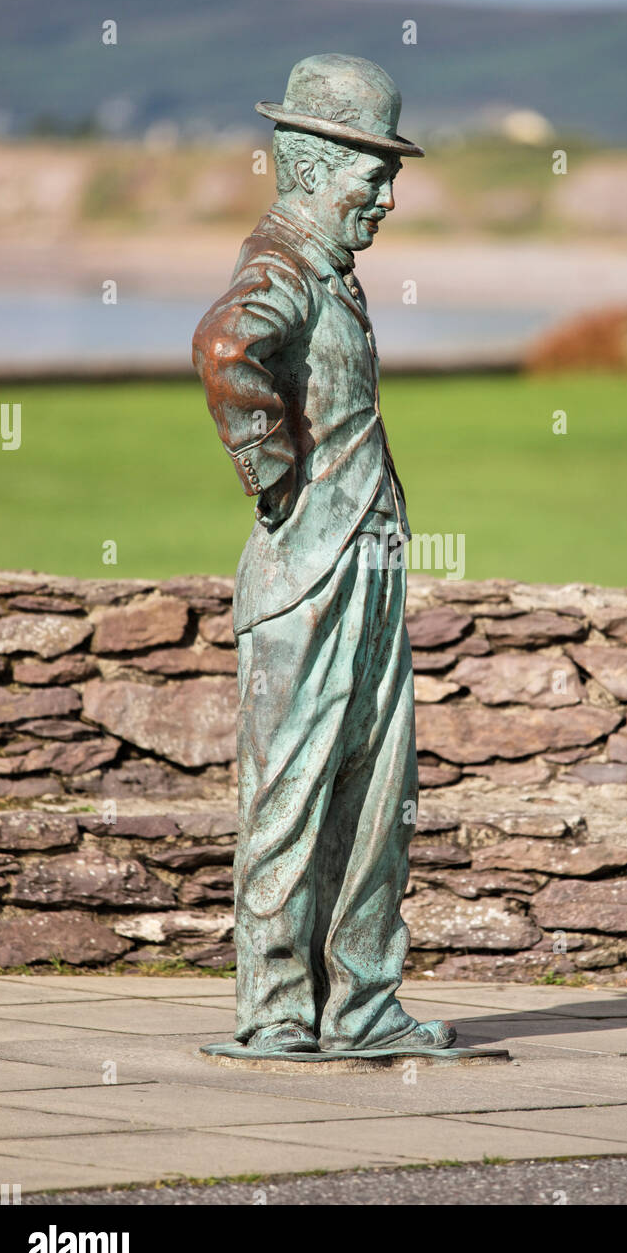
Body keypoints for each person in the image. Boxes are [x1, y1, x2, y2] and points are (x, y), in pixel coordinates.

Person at [193, 54, 456, 1055]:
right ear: (307, 164)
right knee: (295, 792)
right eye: (372, 175)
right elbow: (223, 349)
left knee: (376, 794)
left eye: (391, 176)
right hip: (311, 575)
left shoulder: (323, 271)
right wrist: (269, 470)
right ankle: (273, 1012)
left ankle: (360, 1005)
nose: (386, 198)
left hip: (362, 566)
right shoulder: (283, 268)